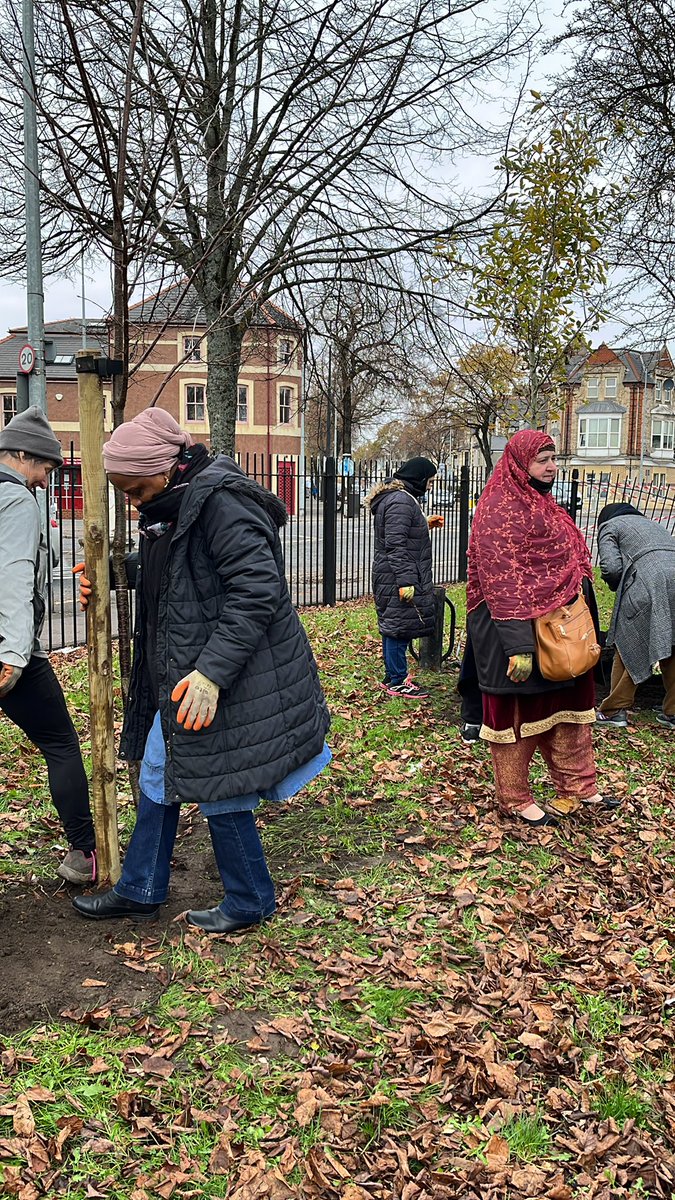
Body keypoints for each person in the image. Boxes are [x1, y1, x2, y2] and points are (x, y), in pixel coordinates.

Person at [72, 408, 330, 933]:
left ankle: (251, 898)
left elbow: (257, 591)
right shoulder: (177, 502)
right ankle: (141, 886)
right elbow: (180, 569)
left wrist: (212, 675)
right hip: (193, 670)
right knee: (158, 771)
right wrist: (111, 573)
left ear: (164, 470)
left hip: (234, 672)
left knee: (220, 783)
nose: (131, 500)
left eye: (136, 488)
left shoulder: (220, 502)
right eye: (123, 491)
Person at [466, 430, 618, 826]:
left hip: (563, 629)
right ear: (519, 463)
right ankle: (514, 798)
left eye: (554, 458)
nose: (551, 467)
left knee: (571, 708)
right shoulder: (498, 508)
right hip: (514, 630)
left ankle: (579, 786)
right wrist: (519, 646)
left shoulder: (545, 505)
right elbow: (501, 578)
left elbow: (569, 564)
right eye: (542, 459)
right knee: (519, 715)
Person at [0, 407, 96, 883]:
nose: (45, 480)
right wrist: (15, 655)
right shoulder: (15, 501)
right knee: (60, 743)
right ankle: (84, 855)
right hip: (8, 652)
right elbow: (15, 575)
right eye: (45, 467)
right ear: (20, 454)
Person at [364, 457, 443, 700]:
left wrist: (423, 523)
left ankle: (393, 676)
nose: (430, 486)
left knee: (393, 627)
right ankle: (397, 681)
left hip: (390, 573)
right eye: (429, 481)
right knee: (399, 629)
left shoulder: (396, 498)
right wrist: (406, 581)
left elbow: (399, 532)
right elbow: (396, 545)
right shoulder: (400, 501)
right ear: (418, 478)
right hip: (397, 576)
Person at [595, 503, 675, 730]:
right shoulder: (655, 525)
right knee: (673, 643)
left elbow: (611, 567)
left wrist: (616, 585)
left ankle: (614, 711)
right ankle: (673, 712)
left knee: (630, 643)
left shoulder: (610, 526)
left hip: (647, 584)